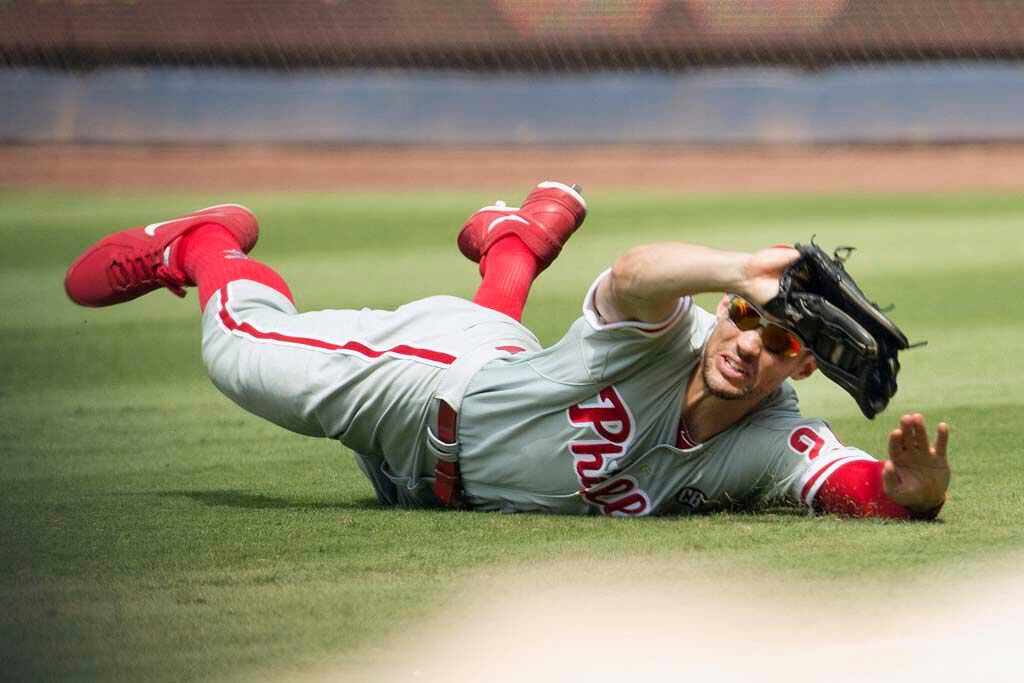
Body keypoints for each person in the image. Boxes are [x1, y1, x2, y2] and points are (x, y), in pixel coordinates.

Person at [64, 181, 950, 518]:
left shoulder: (767, 440)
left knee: (525, 362)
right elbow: (636, 273)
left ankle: (514, 248)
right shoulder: (668, 331)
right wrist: (737, 269)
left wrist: (909, 492)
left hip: (452, 449)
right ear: (723, 309)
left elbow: (839, 478)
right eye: (745, 318)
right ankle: (206, 243)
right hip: (422, 388)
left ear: (805, 366)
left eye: (782, 340)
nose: (750, 343)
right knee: (237, 355)